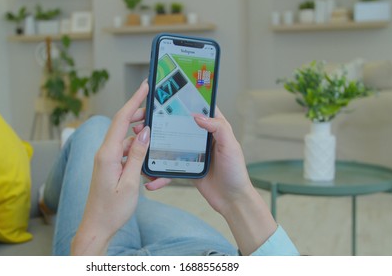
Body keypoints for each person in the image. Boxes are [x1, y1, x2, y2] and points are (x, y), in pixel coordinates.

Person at [39, 80, 299, 256]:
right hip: (209, 254)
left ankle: (49, 199)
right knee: (124, 198)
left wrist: (96, 230)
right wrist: (236, 198)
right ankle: (101, 192)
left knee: (95, 128)